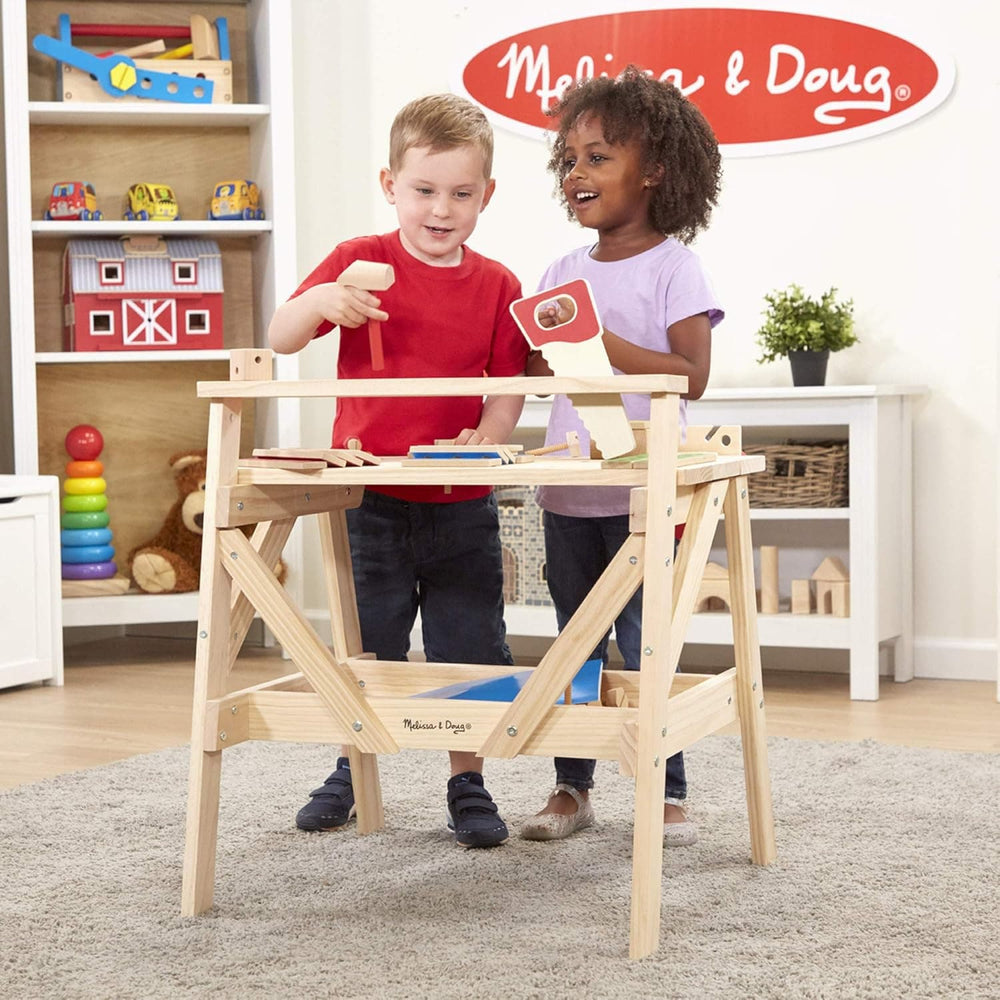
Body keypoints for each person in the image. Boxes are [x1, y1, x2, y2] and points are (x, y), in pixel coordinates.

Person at [268, 94, 529, 848]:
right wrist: (322, 297)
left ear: (486, 195)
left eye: (461, 193)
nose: (440, 209)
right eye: (424, 190)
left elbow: (506, 389)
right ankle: (354, 766)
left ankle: (467, 778)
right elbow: (283, 338)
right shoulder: (360, 260)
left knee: (469, 642)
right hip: (370, 495)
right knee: (369, 642)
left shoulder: (499, 285)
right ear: (391, 184)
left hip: (460, 500)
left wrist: (485, 435)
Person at [520, 67, 724, 846]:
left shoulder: (675, 267)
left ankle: (666, 791)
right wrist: (540, 359)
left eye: (599, 157)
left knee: (644, 646)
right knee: (576, 641)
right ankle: (573, 787)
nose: (578, 173)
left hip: (646, 494)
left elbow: (691, 376)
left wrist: (600, 340)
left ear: (658, 170)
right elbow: (543, 380)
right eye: (569, 160)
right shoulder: (561, 273)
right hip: (569, 494)